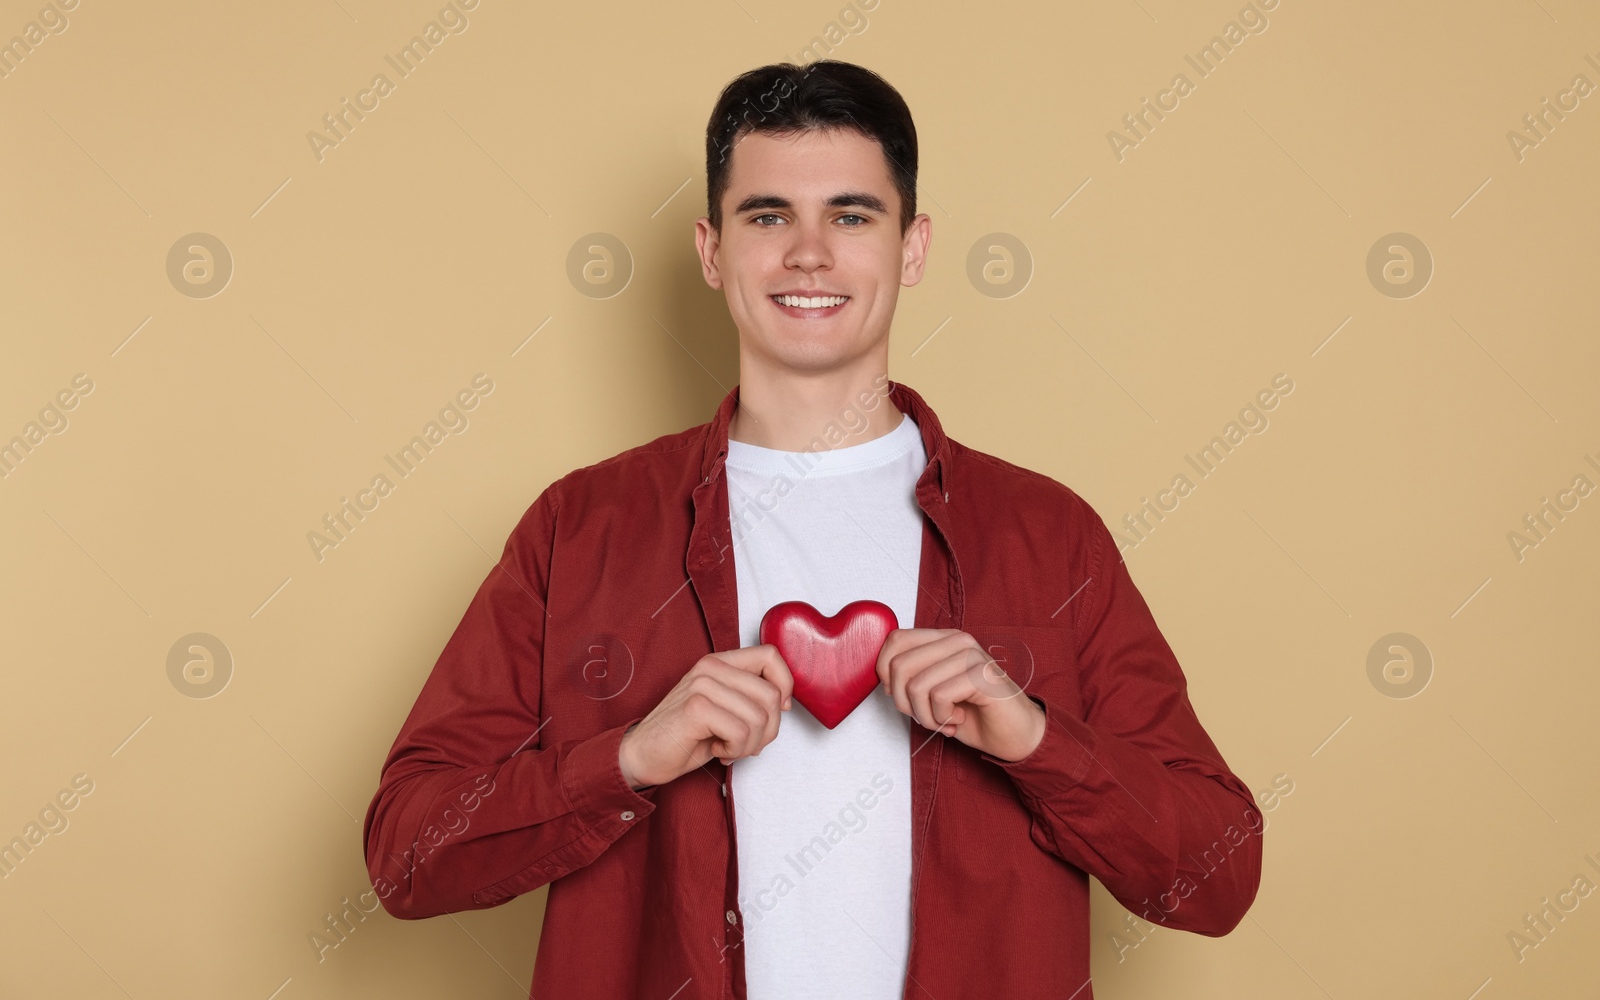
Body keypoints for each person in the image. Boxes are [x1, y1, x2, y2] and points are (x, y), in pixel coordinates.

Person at [363, 60, 1262, 999]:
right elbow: (406, 852)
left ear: (912, 248)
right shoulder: (581, 526)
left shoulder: (1050, 534)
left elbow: (1219, 872)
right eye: (767, 216)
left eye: (850, 215)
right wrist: (627, 758)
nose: (808, 254)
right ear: (713, 252)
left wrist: (1036, 741)